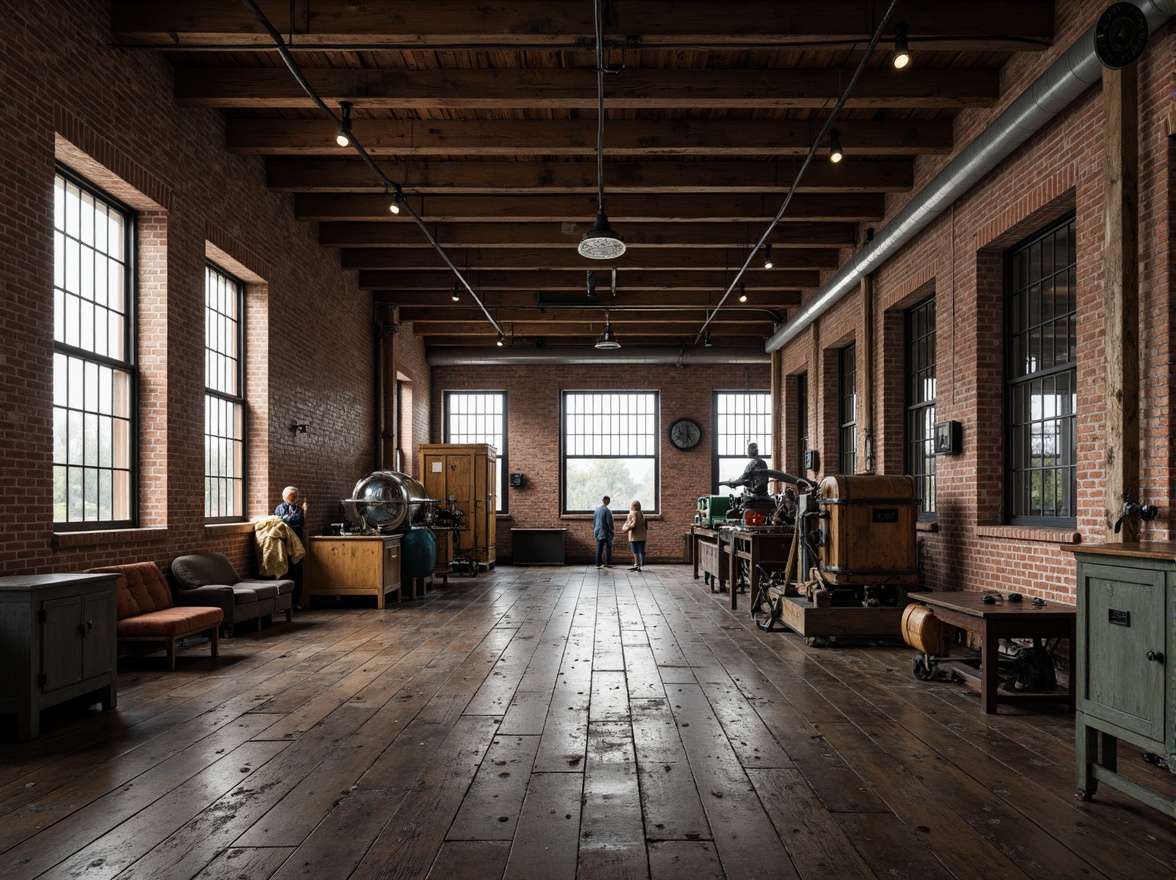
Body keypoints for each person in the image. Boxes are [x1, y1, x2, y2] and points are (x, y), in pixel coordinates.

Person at [275, 485, 308, 608]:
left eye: (295, 496)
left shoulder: (298, 509)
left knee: (296, 571)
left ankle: (295, 601)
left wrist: (291, 518)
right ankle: (283, 603)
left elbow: (297, 521)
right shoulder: (279, 508)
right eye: (291, 496)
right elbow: (281, 522)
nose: (294, 499)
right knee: (284, 571)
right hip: (283, 543)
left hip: (296, 544)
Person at [620, 499, 648, 572]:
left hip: (634, 536)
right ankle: (640, 563)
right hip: (642, 536)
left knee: (634, 551)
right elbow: (646, 526)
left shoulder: (631, 513)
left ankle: (636, 564)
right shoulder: (642, 514)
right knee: (640, 551)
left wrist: (625, 528)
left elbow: (631, 525)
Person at [593, 495, 614, 569]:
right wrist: (612, 532)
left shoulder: (596, 510)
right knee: (608, 547)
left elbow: (594, 522)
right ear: (608, 501)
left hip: (597, 531)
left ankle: (598, 563)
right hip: (605, 532)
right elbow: (609, 523)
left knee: (599, 547)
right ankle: (607, 563)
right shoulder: (607, 511)